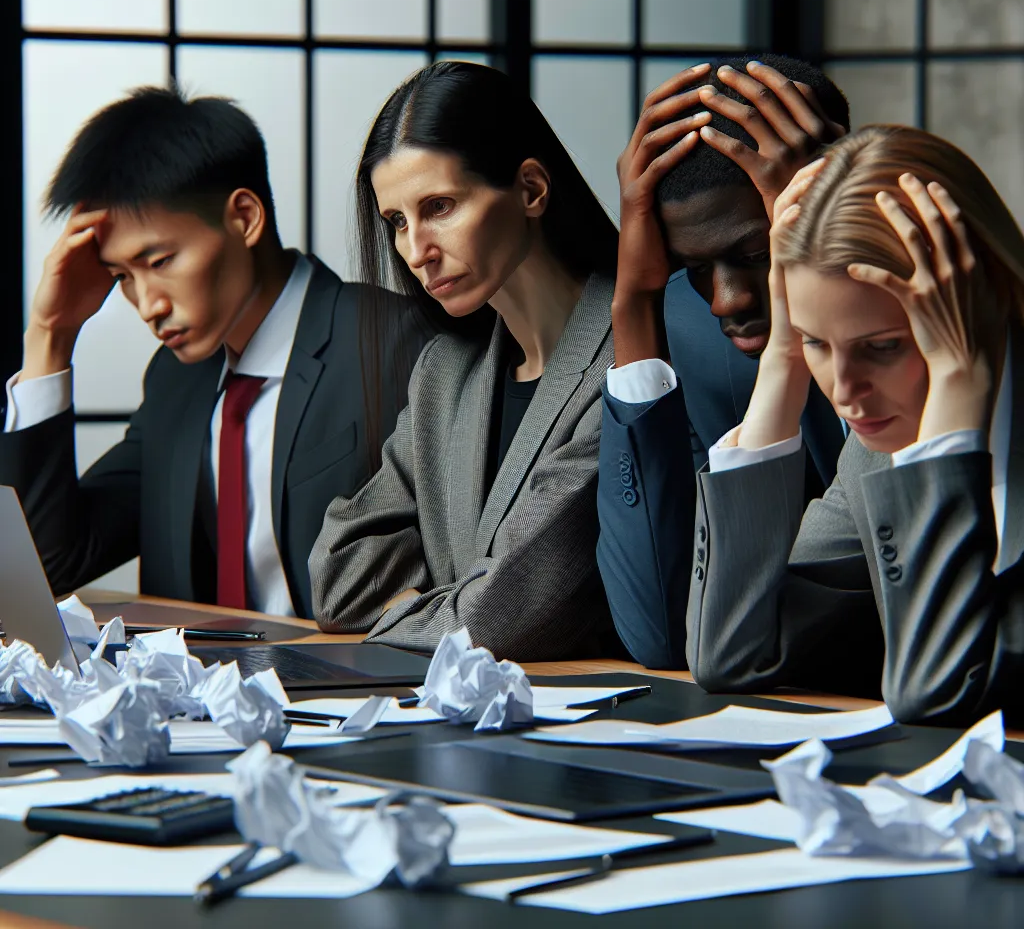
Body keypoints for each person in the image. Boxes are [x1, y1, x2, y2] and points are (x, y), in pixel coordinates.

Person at [0, 85, 422, 618]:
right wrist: (50, 334)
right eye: (121, 276)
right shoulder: (176, 381)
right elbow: (46, 568)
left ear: (244, 217)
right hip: (200, 697)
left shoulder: (395, 346)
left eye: (159, 261)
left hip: (361, 692)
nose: (146, 304)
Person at [686, 124, 1024, 724]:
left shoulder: (911, 426)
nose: (845, 394)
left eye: (884, 346)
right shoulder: (876, 447)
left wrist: (955, 380)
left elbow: (935, 691)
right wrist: (783, 358)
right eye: (819, 343)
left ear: (981, 300)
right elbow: (730, 653)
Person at [309, 60, 621, 660]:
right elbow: (340, 578)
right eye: (397, 222)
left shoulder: (626, 355)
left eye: (441, 207)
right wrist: (454, 604)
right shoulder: (445, 372)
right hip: (452, 715)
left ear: (530, 189)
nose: (416, 251)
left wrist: (414, 604)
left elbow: (495, 622)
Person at [597, 55, 851, 668]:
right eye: (696, 269)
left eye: (756, 253)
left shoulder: (954, 329)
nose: (725, 302)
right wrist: (634, 304)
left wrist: (830, 223)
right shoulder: (688, 339)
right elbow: (658, 629)